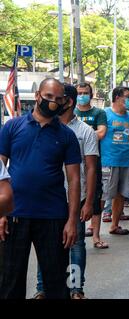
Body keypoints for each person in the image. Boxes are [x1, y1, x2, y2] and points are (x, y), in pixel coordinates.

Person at [0, 78, 81, 299]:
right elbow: (0, 169)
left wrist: (72, 220)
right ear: (38, 96)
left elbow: (74, 180)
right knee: (9, 284)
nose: (53, 103)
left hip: (53, 217)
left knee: (56, 285)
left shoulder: (67, 136)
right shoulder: (12, 127)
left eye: (58, 99)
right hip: (15, 216)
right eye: (48, 97)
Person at [34, 84, 98, 299]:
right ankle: (42, 288)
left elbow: (90, 168)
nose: (54, 102)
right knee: (46, 243)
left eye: (59, 98)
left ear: (67, 102)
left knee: (76, 244)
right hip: (49, 197)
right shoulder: (45, 127)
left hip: (74, 198)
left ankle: (76, 288)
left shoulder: (85, 131)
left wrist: (88, 202)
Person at [101, 86, 129, 236]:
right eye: (126, 97)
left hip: (127, 162)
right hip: (108, 161)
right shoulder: (104, 114)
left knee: (121, 194)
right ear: (116, 98)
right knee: (103, 194)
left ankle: (114, 225)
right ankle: (93, 228)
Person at [75, 82, 109, 249]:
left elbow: (101, 133)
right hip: (72, 163)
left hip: (92, 162)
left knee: (94, 198)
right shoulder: (70, 112)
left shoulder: (99, 113)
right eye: (79, 92)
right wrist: (89, 135)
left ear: (91, 94)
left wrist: (80, 137)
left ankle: (96, 236)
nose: (82, 95)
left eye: (85, 92)